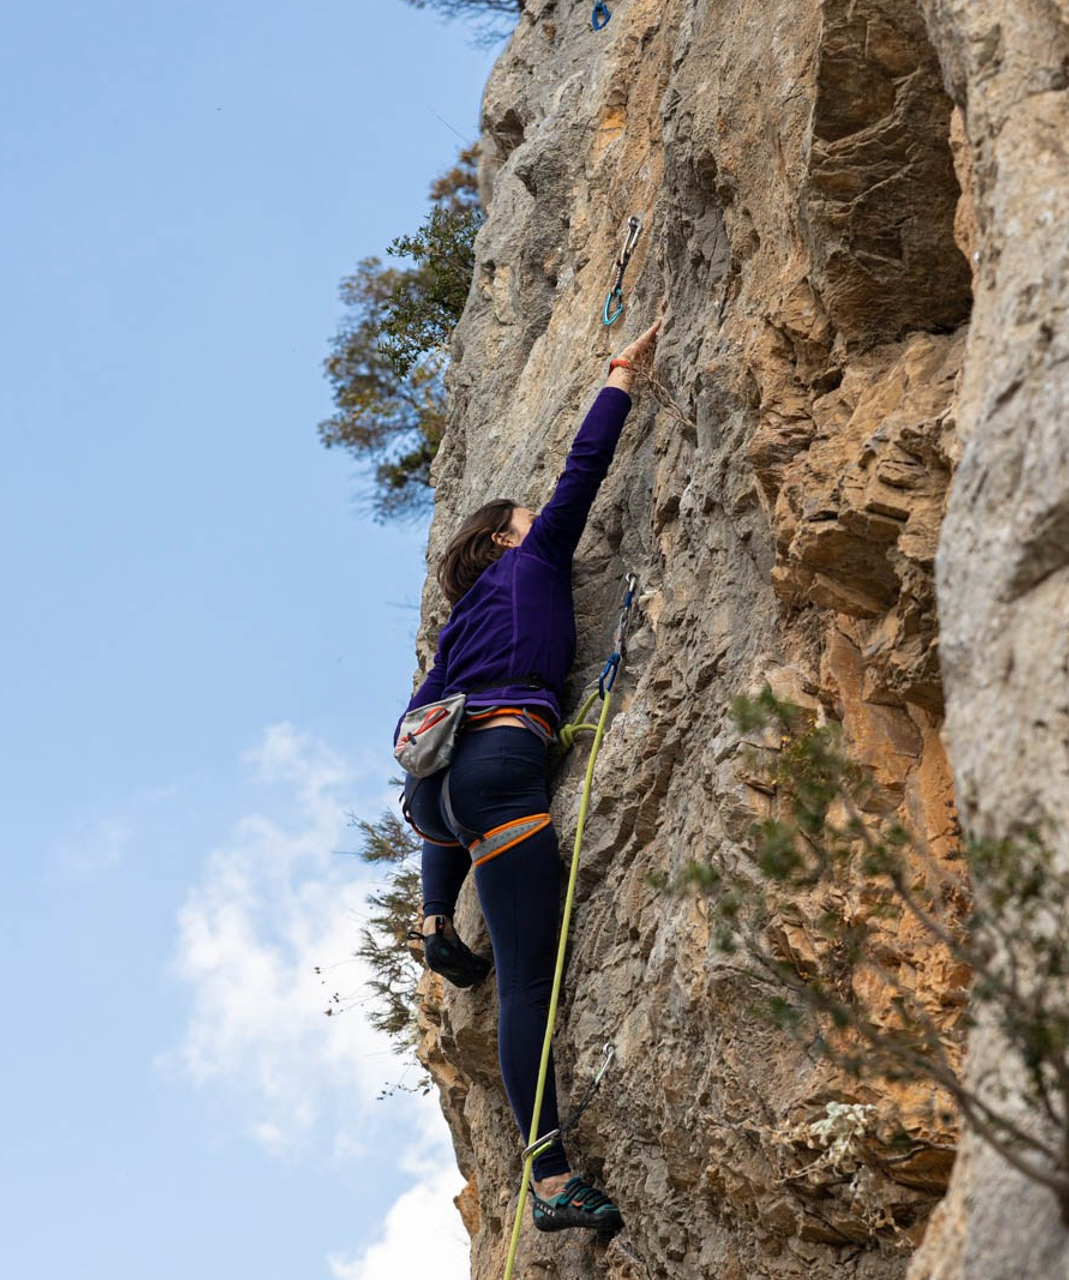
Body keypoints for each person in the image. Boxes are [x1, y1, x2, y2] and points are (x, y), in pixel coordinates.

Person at [395, 313, 664, 1236]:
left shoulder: (456, 628)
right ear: (512, 542)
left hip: (444, 786)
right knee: (526, 981)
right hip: (506, 763)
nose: (539, 528)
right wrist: (620, 376)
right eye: (524, 524)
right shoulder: (534, 562)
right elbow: (580, 478)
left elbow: (414, 743)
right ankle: (548, 1181)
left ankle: (435, 921)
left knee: (446, 816)